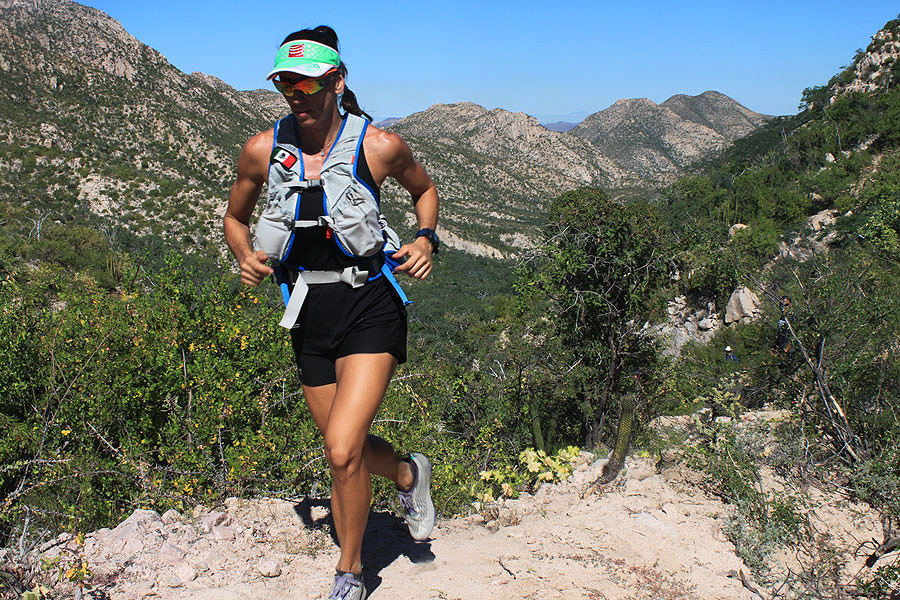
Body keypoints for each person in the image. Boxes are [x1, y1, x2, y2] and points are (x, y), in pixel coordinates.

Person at [223, 26, 438, 600]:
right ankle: (409, 474)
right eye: (286, 83)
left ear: (337, 82)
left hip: (371, 302)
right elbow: (234, 218)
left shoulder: (378, 145)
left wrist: (425, 239)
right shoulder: (262, 150)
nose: (296, 94)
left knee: (341, 448)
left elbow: (424, 190)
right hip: (308, 311)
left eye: (309, 84)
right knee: (349, 449)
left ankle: (350, 571)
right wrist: (246, 256)